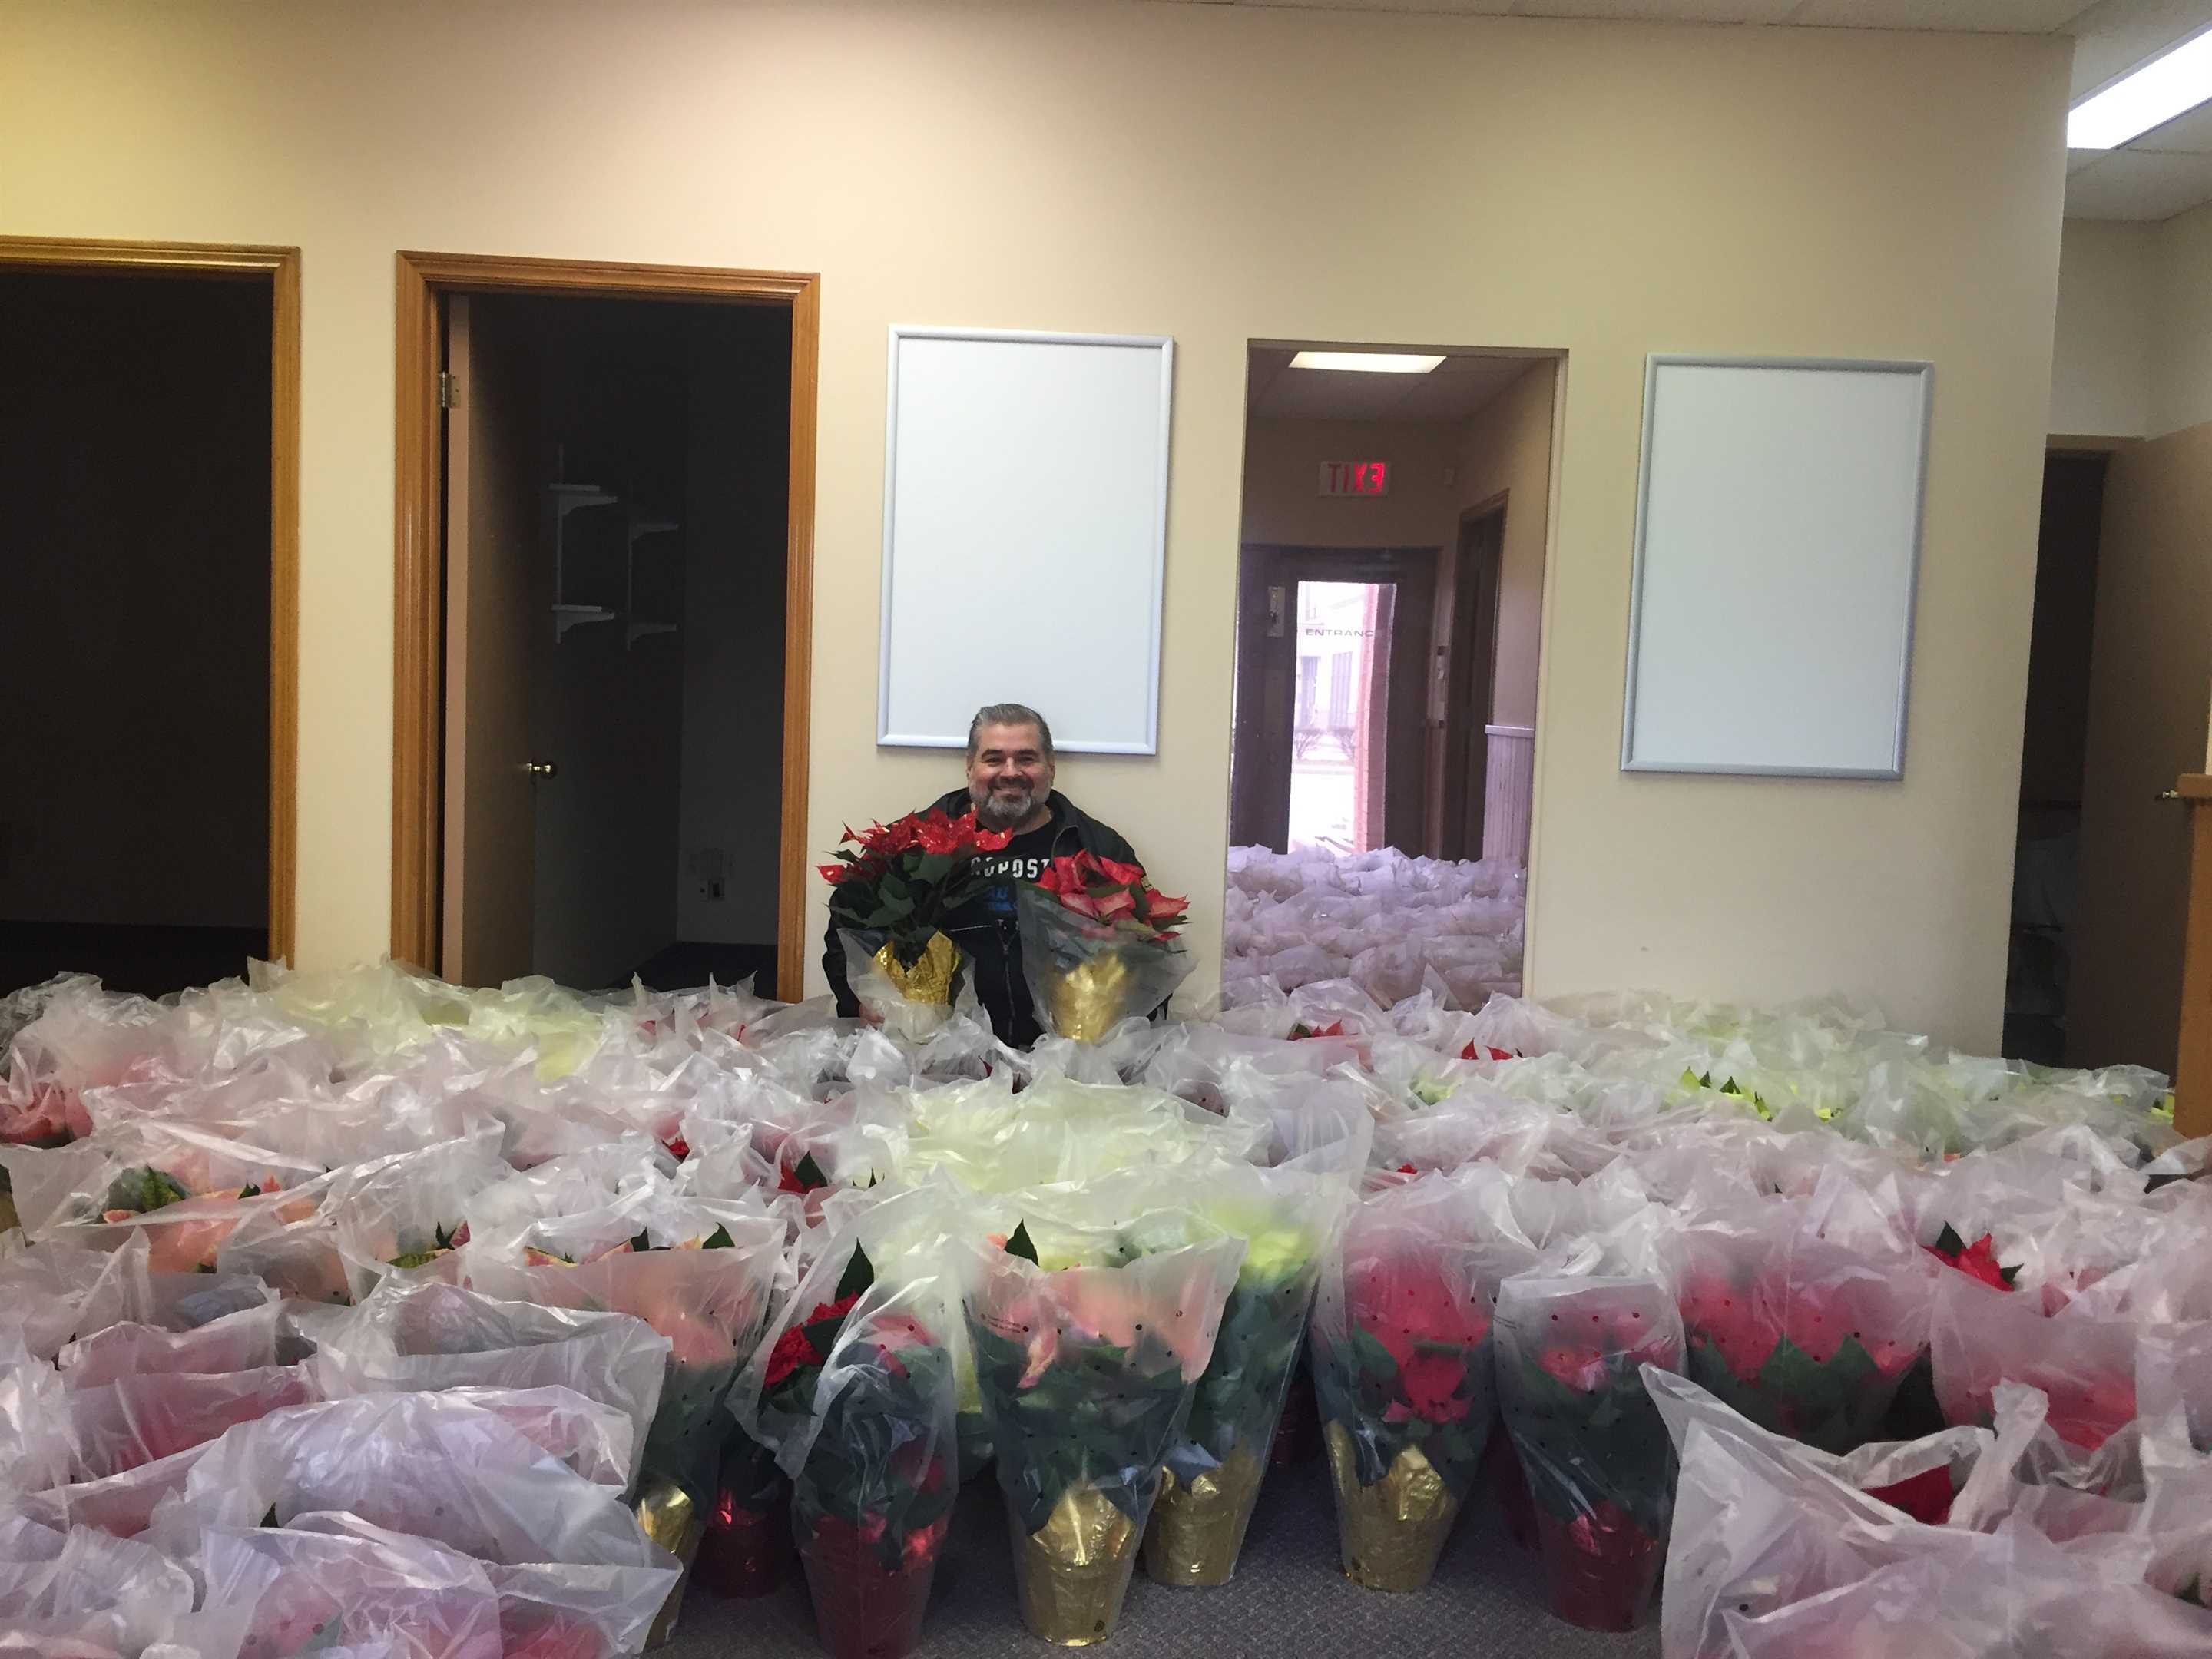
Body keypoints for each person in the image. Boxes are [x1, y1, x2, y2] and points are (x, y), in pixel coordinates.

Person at [823, 702, 1145, 1048]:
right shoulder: (914, 847)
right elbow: (847, 933)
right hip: (938, 1063)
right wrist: (861, 1000)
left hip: (1064, 1062)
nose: (1010, 772)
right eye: (994, 759)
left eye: (1026, 758)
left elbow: (1145, 951)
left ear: (1050, 768)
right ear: (969, 767)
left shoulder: (1097, 849)